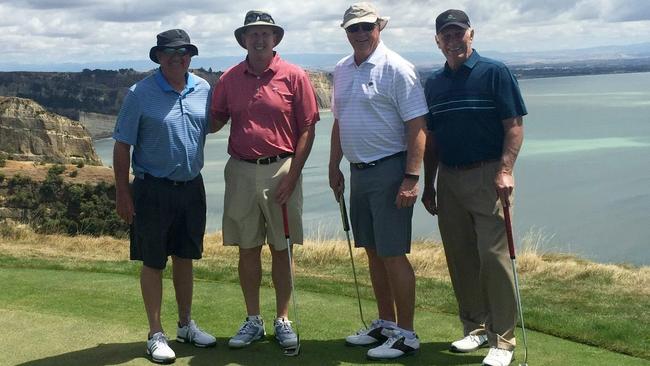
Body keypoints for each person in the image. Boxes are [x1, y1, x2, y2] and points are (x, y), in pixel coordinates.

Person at [208, 10, 320, 351]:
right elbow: (214, 121)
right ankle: (253, 319)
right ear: (244, 39)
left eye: (265, 34)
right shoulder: (229, 78)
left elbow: (308, 128)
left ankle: (282, 318)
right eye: (253, 34)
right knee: (247, 246)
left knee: (281, 248)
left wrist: (294, 174)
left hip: (281, 168)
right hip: (240, 170)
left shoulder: (294, 76)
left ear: (275, 39)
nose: (259, 39)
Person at [421, 9, 527, 366]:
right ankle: (476, 328)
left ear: (471, 35)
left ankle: (504, 339)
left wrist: (506, 170)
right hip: (448, 178)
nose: (453, 41)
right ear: (438, 41)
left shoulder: (494, 72)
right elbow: (432, 139)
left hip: (488, 175)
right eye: (446, 36)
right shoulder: (433, 82)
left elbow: (513, 126)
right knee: (460, 256)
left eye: (458, 33)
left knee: (494, 259)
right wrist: (429, 184)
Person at [328, 2, 428, 361]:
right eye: (353, 29)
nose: (359, 34)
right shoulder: (341, 70)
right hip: (358, 172)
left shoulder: (398, 68)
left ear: (378, 28)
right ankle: (386, 323)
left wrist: (411, 177)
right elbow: (340, 122)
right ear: (346, 32)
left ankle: (407, 334)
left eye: (366, 27)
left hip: (390, 171)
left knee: (392, 253)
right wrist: (332, 165)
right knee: (372, 251)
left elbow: (417, 127)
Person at [113, 29, 216, 364]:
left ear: (190, 55)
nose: (178, 57)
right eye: (171, 52)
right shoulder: (139, 94)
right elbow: (122, 145)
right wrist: (123, 192)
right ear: (159, 56)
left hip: (191, 186)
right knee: (154, 261)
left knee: (185, 257)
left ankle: (185, 324)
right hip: (152, 189)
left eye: (184, 51)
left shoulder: (203, 88)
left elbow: (210, 126)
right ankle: (155, 333)